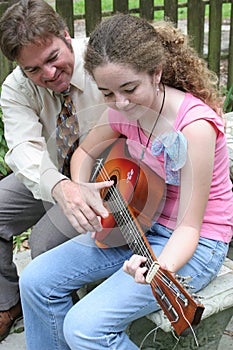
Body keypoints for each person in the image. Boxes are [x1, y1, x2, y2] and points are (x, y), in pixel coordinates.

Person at [19, 14, 233, 350]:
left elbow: (190, 227)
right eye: (106, 93)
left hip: (195, 242)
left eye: (129, 89)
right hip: (139, 221)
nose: (119, 102)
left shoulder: (193, 126)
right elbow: (83, 152)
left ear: (156, 73)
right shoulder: (123, 110)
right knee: (35, 280)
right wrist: (81, 187)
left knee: (84, 327)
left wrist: (159, 269)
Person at [0, 0, 112, 341]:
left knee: (45, 242)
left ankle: (69, 325)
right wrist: (61, 188)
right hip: (52, 173)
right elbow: (22, 149)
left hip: (108, 174)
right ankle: (9, 302)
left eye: (52, 58)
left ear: (66, 35)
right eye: (33, 69)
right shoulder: (17, 88)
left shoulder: (103, 59)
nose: (48, 74)